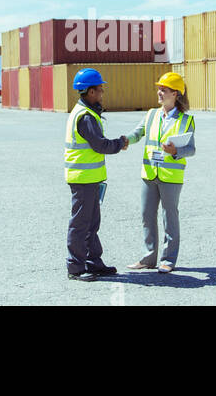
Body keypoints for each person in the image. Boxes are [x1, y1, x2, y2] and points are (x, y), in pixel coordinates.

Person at [64, 68, 131, 282]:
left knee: (92, 223)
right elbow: (100, 145)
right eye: (100, 89)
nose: (102, 93)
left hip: (90, 179)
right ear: (90, 92)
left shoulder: (86, 112)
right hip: (83, 179)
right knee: (81, 223)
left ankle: (93, 262)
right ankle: (75, 267)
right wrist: (120, 144)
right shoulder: (85, 117)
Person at [126, 72, 195, 274]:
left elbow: (191, 149)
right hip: (149, 174)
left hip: (171, 176)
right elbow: (137, 133)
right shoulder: (151, 114)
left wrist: (176, 152)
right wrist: (124, 141)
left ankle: (168, 259)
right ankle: (148, 259)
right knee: (147, 215)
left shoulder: (186, 120)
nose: (159, 92)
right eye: (159, 88)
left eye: (163, 90)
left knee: (169, 217)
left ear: (175, 94)